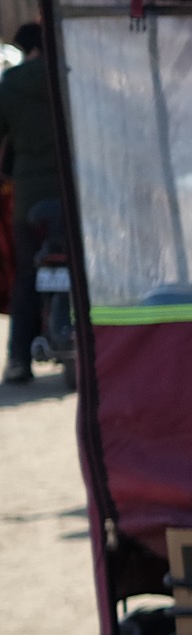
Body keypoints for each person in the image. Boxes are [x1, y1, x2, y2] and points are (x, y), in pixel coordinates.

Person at [0, 20, 64, 386]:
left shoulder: (11, 84)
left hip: (29, 199)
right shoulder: (71, 75)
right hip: (76, 195)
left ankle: (19, 361)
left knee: (27, 275)